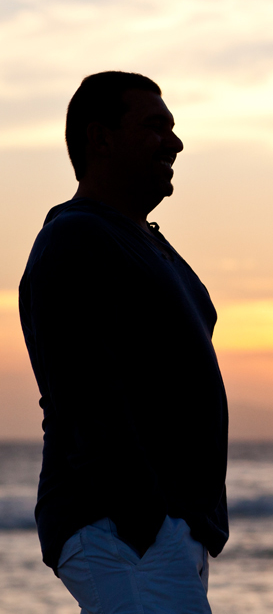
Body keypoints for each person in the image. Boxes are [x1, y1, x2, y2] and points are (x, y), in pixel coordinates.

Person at [19, 71, 229, 614]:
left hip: (156, 533)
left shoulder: (144, 244)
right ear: (100, 138)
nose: (175, 143)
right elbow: (84, 392)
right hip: (125, 531)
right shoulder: (76, 238)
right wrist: (145, 520)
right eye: (155, 126)